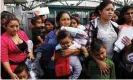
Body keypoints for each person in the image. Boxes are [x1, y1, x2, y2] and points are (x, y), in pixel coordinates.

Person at [85, 0, 119, 75]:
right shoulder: (92, 25)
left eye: (112, 10)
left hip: (112, 61)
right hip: (96, 62)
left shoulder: (115, 26)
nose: (110, 12)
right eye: (107, 9)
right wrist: (99, 62)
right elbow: (88, 47)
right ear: (100, 11)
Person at [114, 5, 133, 79]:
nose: (130, 15)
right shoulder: (119, 27)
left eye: (132, 13)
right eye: (127, 14)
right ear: (123, 15)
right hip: (121, 57)